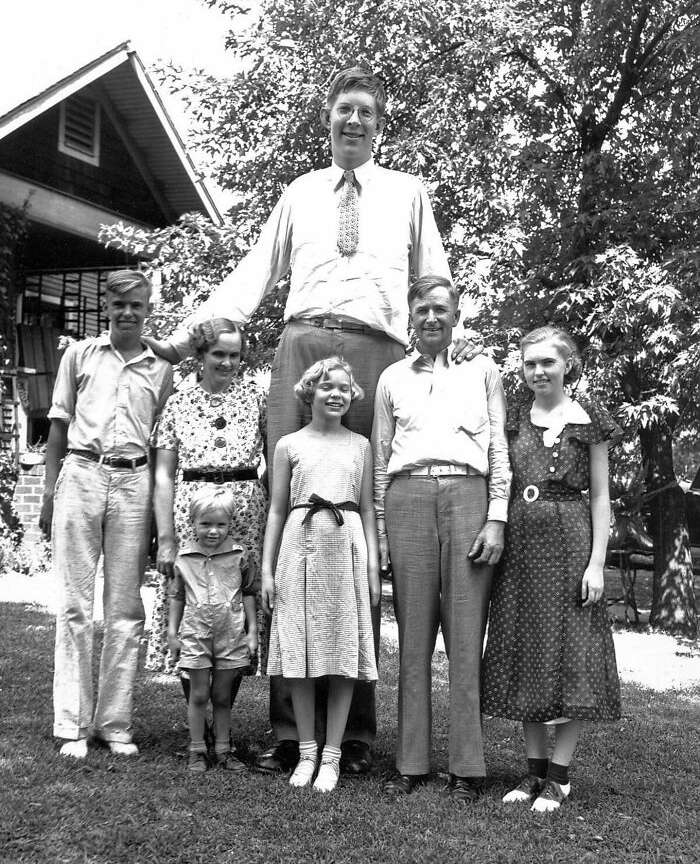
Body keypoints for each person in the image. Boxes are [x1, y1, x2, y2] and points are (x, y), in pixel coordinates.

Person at [145, 66, 483, 776]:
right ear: (327, 119)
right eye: (342, 110)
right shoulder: (299, 192)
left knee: (355, 521)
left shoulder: (409, 192)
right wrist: (184, 336)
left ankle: (352, 734)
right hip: (300, 343)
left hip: (376, 349)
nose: (352, 121)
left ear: (380, 125)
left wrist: (447, 363)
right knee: (293, 513)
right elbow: (253, 273)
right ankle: (289, 730)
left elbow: (434, 280)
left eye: (365, 112)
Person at [372, 275, 510, 801]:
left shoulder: (484, 369)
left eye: (440, 309)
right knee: (413, 636)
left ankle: (467, 767)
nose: (431, 318)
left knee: (465, 634)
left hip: (469, 495)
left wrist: (496, 517)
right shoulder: (392, 377)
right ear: (411, 317)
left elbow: (498, 448)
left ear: (456, 315)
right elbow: (381, 457)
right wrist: (381, 531)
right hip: (407, 496)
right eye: (421, 310)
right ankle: (411, 763)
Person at [481, 326, 622, 812]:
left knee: (571, 654)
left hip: (572, 546)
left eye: (548, 362)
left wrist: (596, 564)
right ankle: (534, 771)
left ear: (568, 365)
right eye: (529, 363)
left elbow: (601, 495)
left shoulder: (589, 419)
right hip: (521, 548)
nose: (538, 371)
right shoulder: (513, 417)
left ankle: (559, 778)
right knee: (528, 651)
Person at [39, 269, 173, 758]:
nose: (127, 313)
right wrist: (50, 492)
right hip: (82, 473)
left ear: (148, 309)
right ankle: (72, 724)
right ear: (107, 308)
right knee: (75, 604)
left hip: (135, 480)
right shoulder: (79, 355)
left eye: (136, 305)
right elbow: (58, 426)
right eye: (119, 305)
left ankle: (114, 724)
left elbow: (161, 443)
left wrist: (160, 516)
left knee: (125, 608)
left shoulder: (161, 367)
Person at [261, 357, 380, 793]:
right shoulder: (289, 445)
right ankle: (307, 750)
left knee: (342, 652)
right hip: (299, 549)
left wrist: (372, 565)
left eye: (344, 388)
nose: (336, 394)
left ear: (353, 396)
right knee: (300, 653)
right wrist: (268, 569)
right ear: (309, 392)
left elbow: (366, 508)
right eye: (327, 386)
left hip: (346, 550)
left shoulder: (360, 446)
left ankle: (332, 756)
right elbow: (277, 510)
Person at [146, 318, 267, 706]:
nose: (228, 362)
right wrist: (166, 539)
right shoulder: (178, 402)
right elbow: (163, 475)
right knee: (194, 605)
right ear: (200, 355)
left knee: (234, 605)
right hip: (192, 514)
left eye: (235, 355)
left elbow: (277, 457)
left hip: (245, 517)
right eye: (218, 354)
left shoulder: (256, 398)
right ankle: (198, 717)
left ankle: (223, 718)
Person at [167, 487, 258, 774]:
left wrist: (252, 631)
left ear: (230, 522)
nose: (213, 531)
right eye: (205, 524)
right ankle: (197, 750)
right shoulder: (184, 559)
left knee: (221, 696)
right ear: (193, 522)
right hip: (195, 636)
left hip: (231, 634)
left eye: (220, 524)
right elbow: (177, 596)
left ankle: (223, 750)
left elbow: (248, 593)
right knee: (198, 694)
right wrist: (172, 633)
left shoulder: (239, 556)